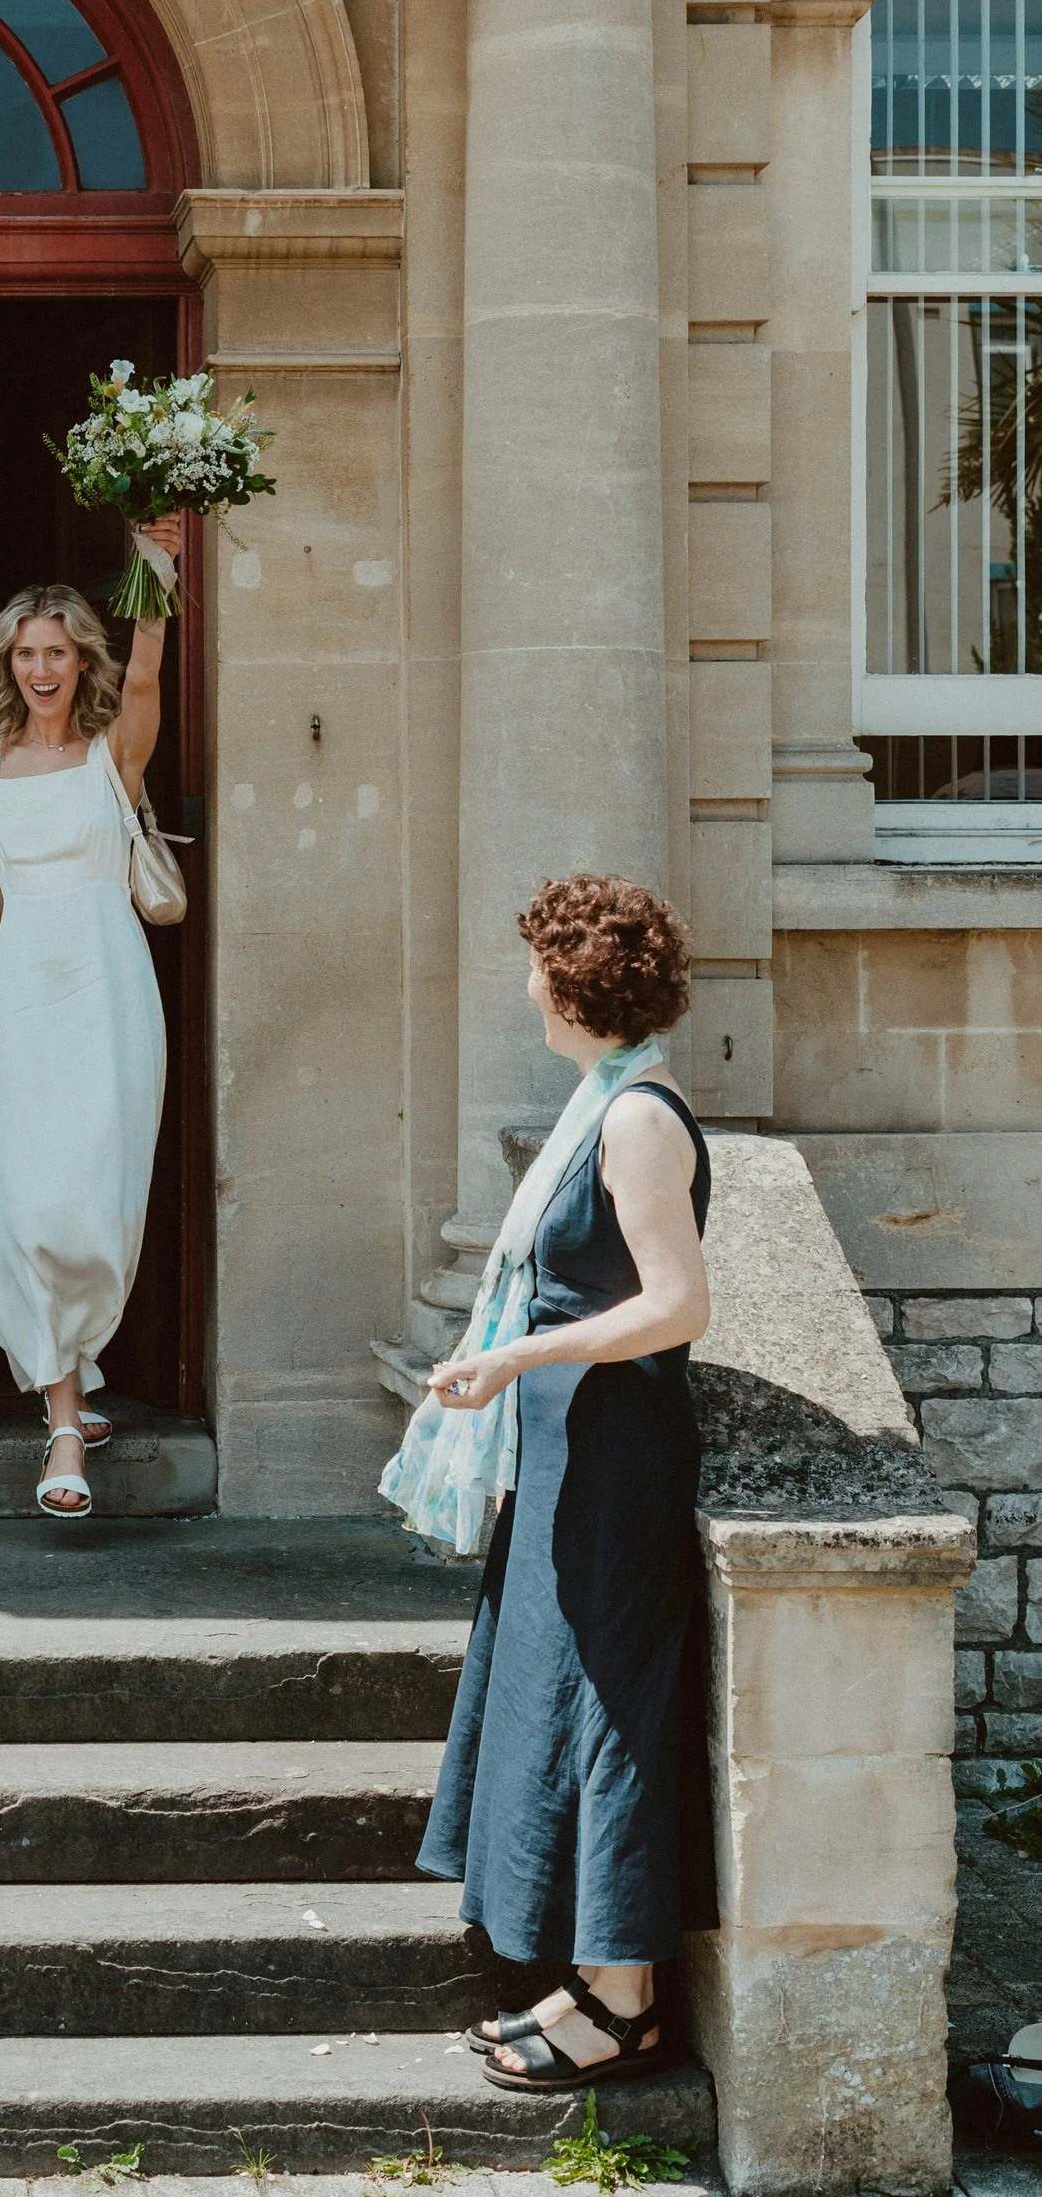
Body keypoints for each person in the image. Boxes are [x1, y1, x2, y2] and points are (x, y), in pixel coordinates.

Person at [406, 874, 712, 2089]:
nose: (527, 979)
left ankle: (626, 2003)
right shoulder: (605, 1094)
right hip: (572, 1452)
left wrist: (519, 1350)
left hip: (617, 1454)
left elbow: (676, 1303)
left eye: (538, 960)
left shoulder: (636, 1117)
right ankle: (589, 1978)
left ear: (577, 982)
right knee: (558, 1688)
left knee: (608, 1707)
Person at [0, 551, 175, 1519]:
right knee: (25, 1202)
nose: (41, 667)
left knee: (91, 1200)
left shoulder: (110, 754)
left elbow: (148, 673)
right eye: (25, 652)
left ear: (79, 660)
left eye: (56, 650)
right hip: (24, 1003)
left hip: (107, 993)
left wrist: (156, 564)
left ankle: (72, 1370)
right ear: (6, 663)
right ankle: (59, 1415)